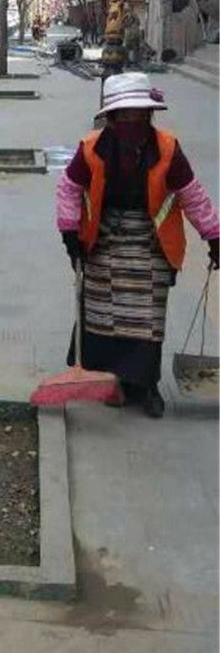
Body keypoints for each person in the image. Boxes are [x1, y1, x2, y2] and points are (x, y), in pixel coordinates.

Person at [56, 72, 219, 418]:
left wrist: (214, 235)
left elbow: (192, 195)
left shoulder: (168, 149)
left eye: (140, 114)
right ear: (113, 118)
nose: (134, 121)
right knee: (103, 316)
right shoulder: (91, 148)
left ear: (149, 115)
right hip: (104, 240)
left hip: (151, 242)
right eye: (126, 115)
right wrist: (70, 232)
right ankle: (113, 380)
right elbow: (68, 188)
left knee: (147, 318)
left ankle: (146, 385)